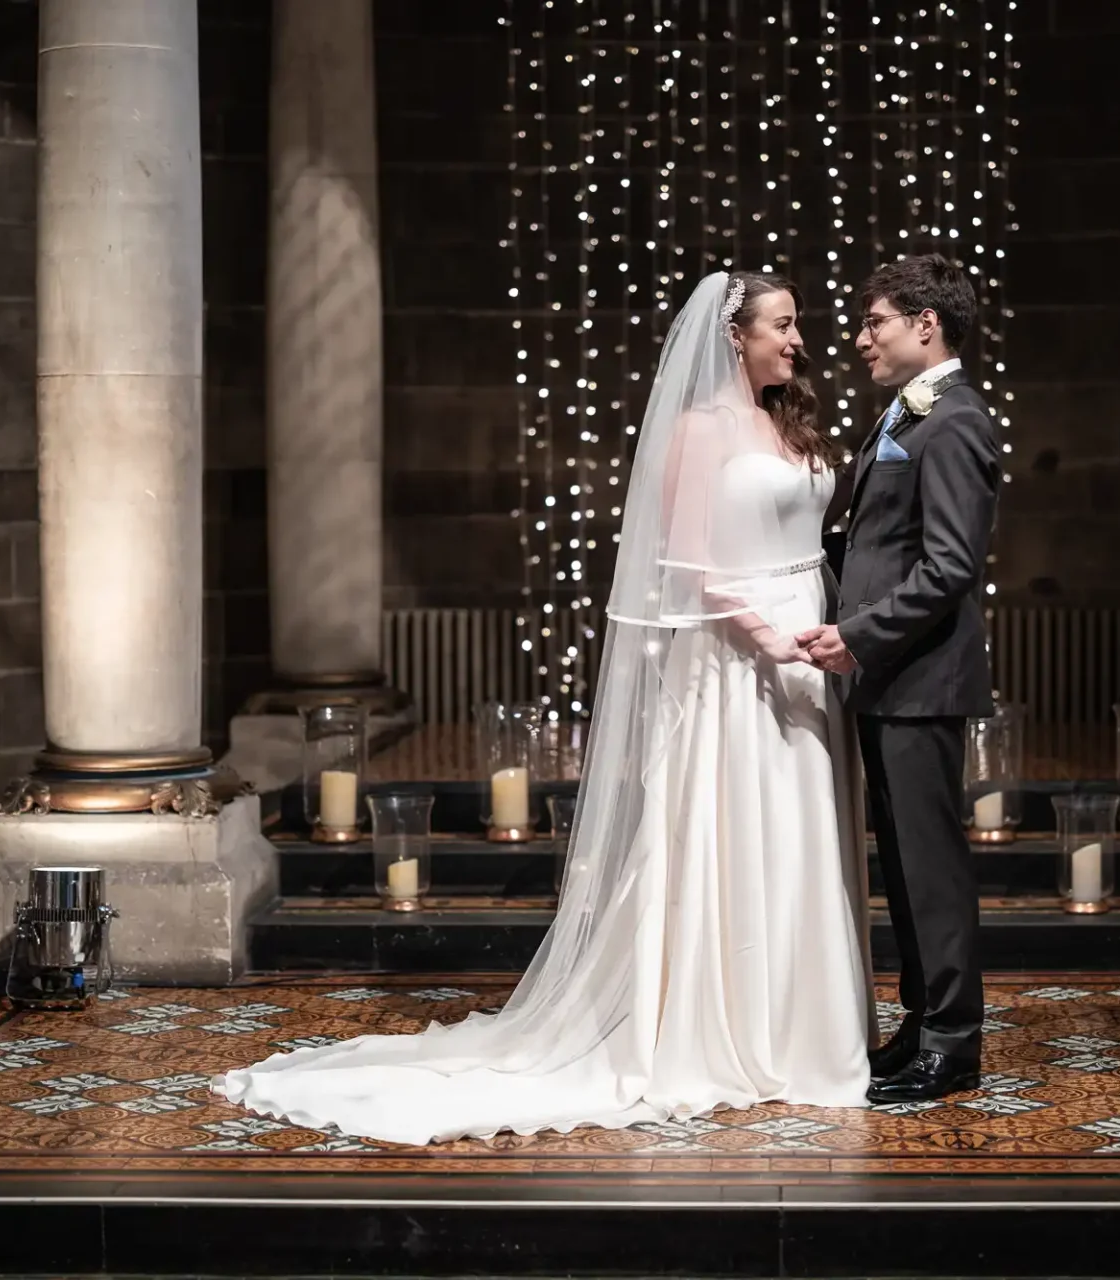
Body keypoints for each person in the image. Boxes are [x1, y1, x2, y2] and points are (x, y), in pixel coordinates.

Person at [215, 272, 874, 1144]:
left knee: (801, 832)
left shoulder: (792, 420)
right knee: (732, 829)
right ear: (733, 337)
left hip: (809, 650)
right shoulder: (696, 431)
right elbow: (682, 562)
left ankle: (806, 1028)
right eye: (782, 325)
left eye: (795, 326)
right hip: (734, 655)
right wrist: (761, 633)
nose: (798, 339)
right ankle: (725, 1026)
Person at [798, 253, 1001, 1105]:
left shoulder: (953, 421)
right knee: (906, 866)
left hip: (919, 678)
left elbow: (951, 565)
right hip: (889, 680)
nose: (859, 338)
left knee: (931, 865)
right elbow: (877, 542)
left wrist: (857, 635)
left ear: (927, 324)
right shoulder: (907, 416)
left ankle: (953, 1043)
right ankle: (921, 1025)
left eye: (873, 320)